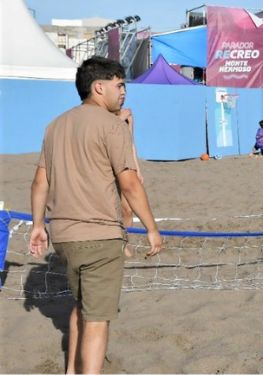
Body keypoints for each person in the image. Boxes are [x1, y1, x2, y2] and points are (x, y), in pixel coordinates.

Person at [28, 56, 162, 374]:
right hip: (100, 236)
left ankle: (71, 370)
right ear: (98, 87)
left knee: (83, 308)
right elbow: (129, 183)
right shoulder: (110, 126)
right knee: (99, 320)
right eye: (119, 85)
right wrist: (152, 228)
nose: (124, 91)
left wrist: (37, 226)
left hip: (64, 238)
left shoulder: (55, 125)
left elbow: (39, 182)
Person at [114, 107, 144, 258]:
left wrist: (137, 169)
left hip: (124, 167)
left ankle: (123, 244)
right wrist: (119, 119)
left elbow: (130, 143)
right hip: (105, 168)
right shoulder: (102, 115)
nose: (121, 94)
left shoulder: (128, 115)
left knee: (127, 210)